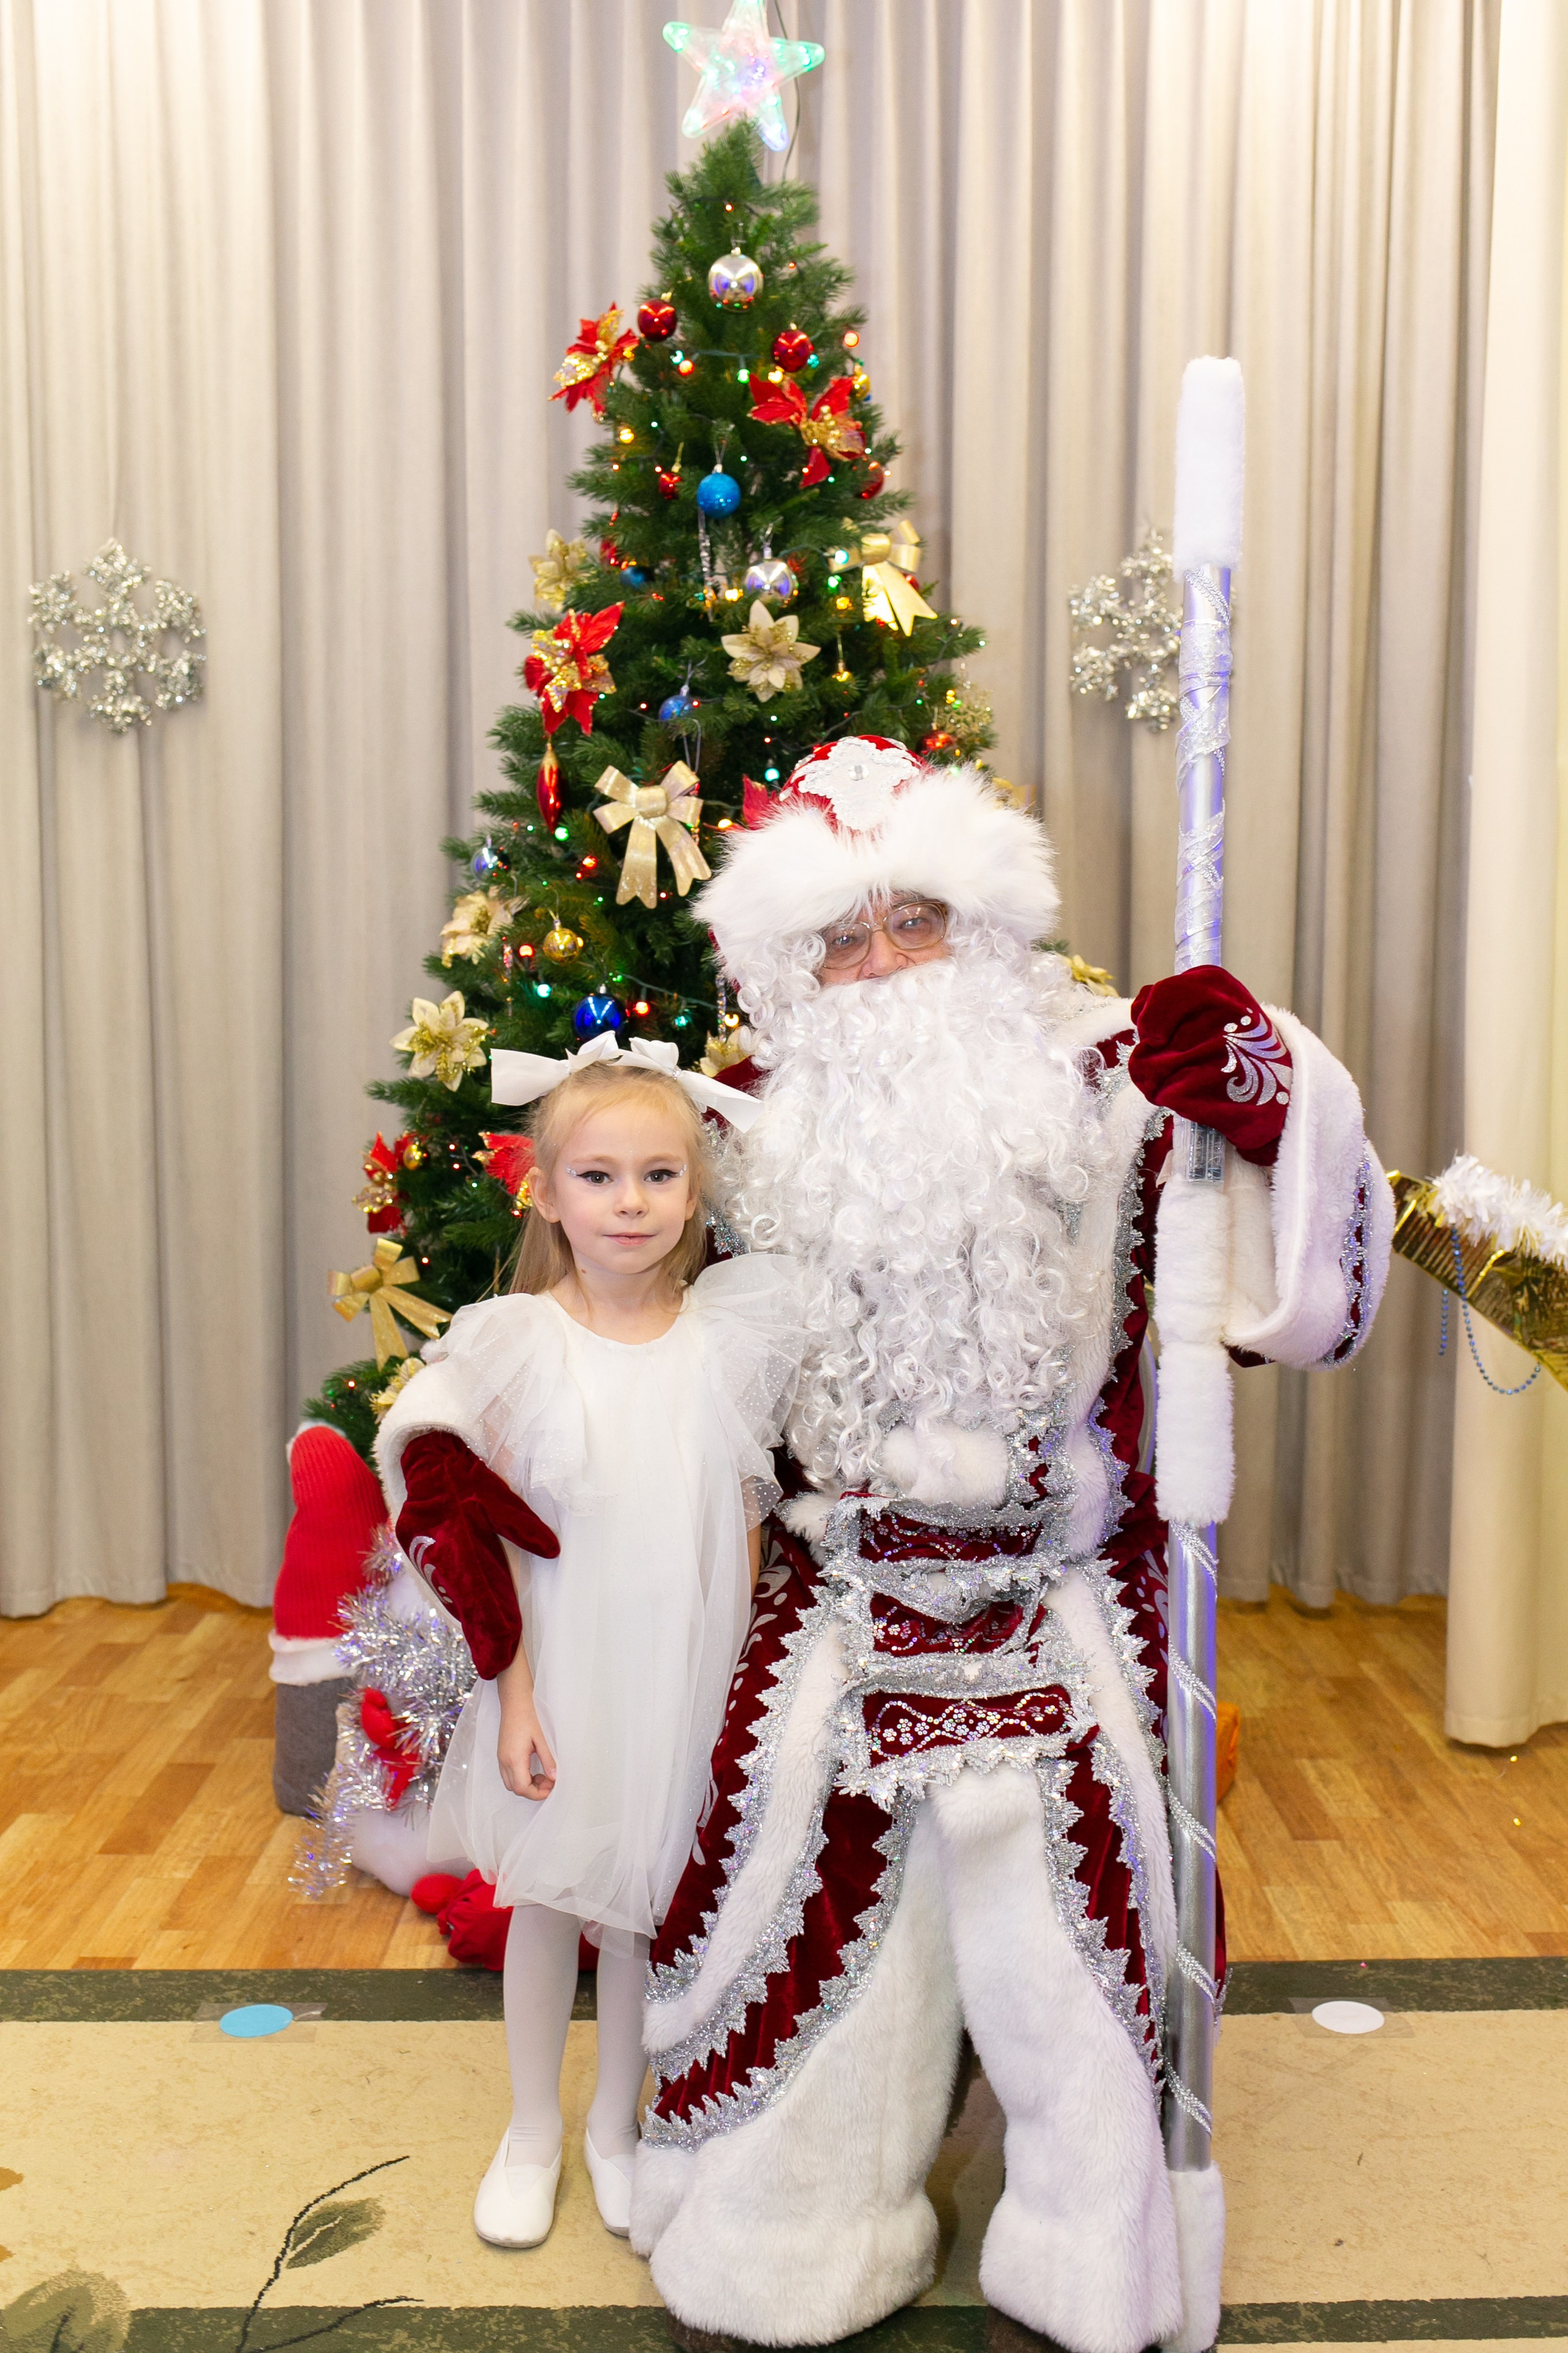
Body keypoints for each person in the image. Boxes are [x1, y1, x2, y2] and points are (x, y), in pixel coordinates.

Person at [630, 738, 1393, 2353]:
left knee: (1090, 1902)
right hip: (842, 1595)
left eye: (916, 922)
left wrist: (1254, 1089)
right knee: (791, 1858)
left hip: (1068, 1594)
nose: (884, 964)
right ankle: (789, 2237)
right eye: (842, 940)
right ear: (789, 971)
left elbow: (1301, 1275)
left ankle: (1085, 2254)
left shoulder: (1113, 1084)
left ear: (982, 932)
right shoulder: (736, 1129)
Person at [375, 1044, 799, 2251]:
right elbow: (492, 1538)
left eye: (658, 1174)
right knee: (555, 1899)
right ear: (548, 1194)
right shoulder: (517, 1342)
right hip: (560, 1673)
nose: (630, 1201)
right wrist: (514, 1699)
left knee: (637, 1911)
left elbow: (739, 1522)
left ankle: (616, 2123)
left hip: (678, 1672)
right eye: (599, 1176)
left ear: (692, 1191)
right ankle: (529, 2130)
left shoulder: (726, 1336)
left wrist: (737, 1689)